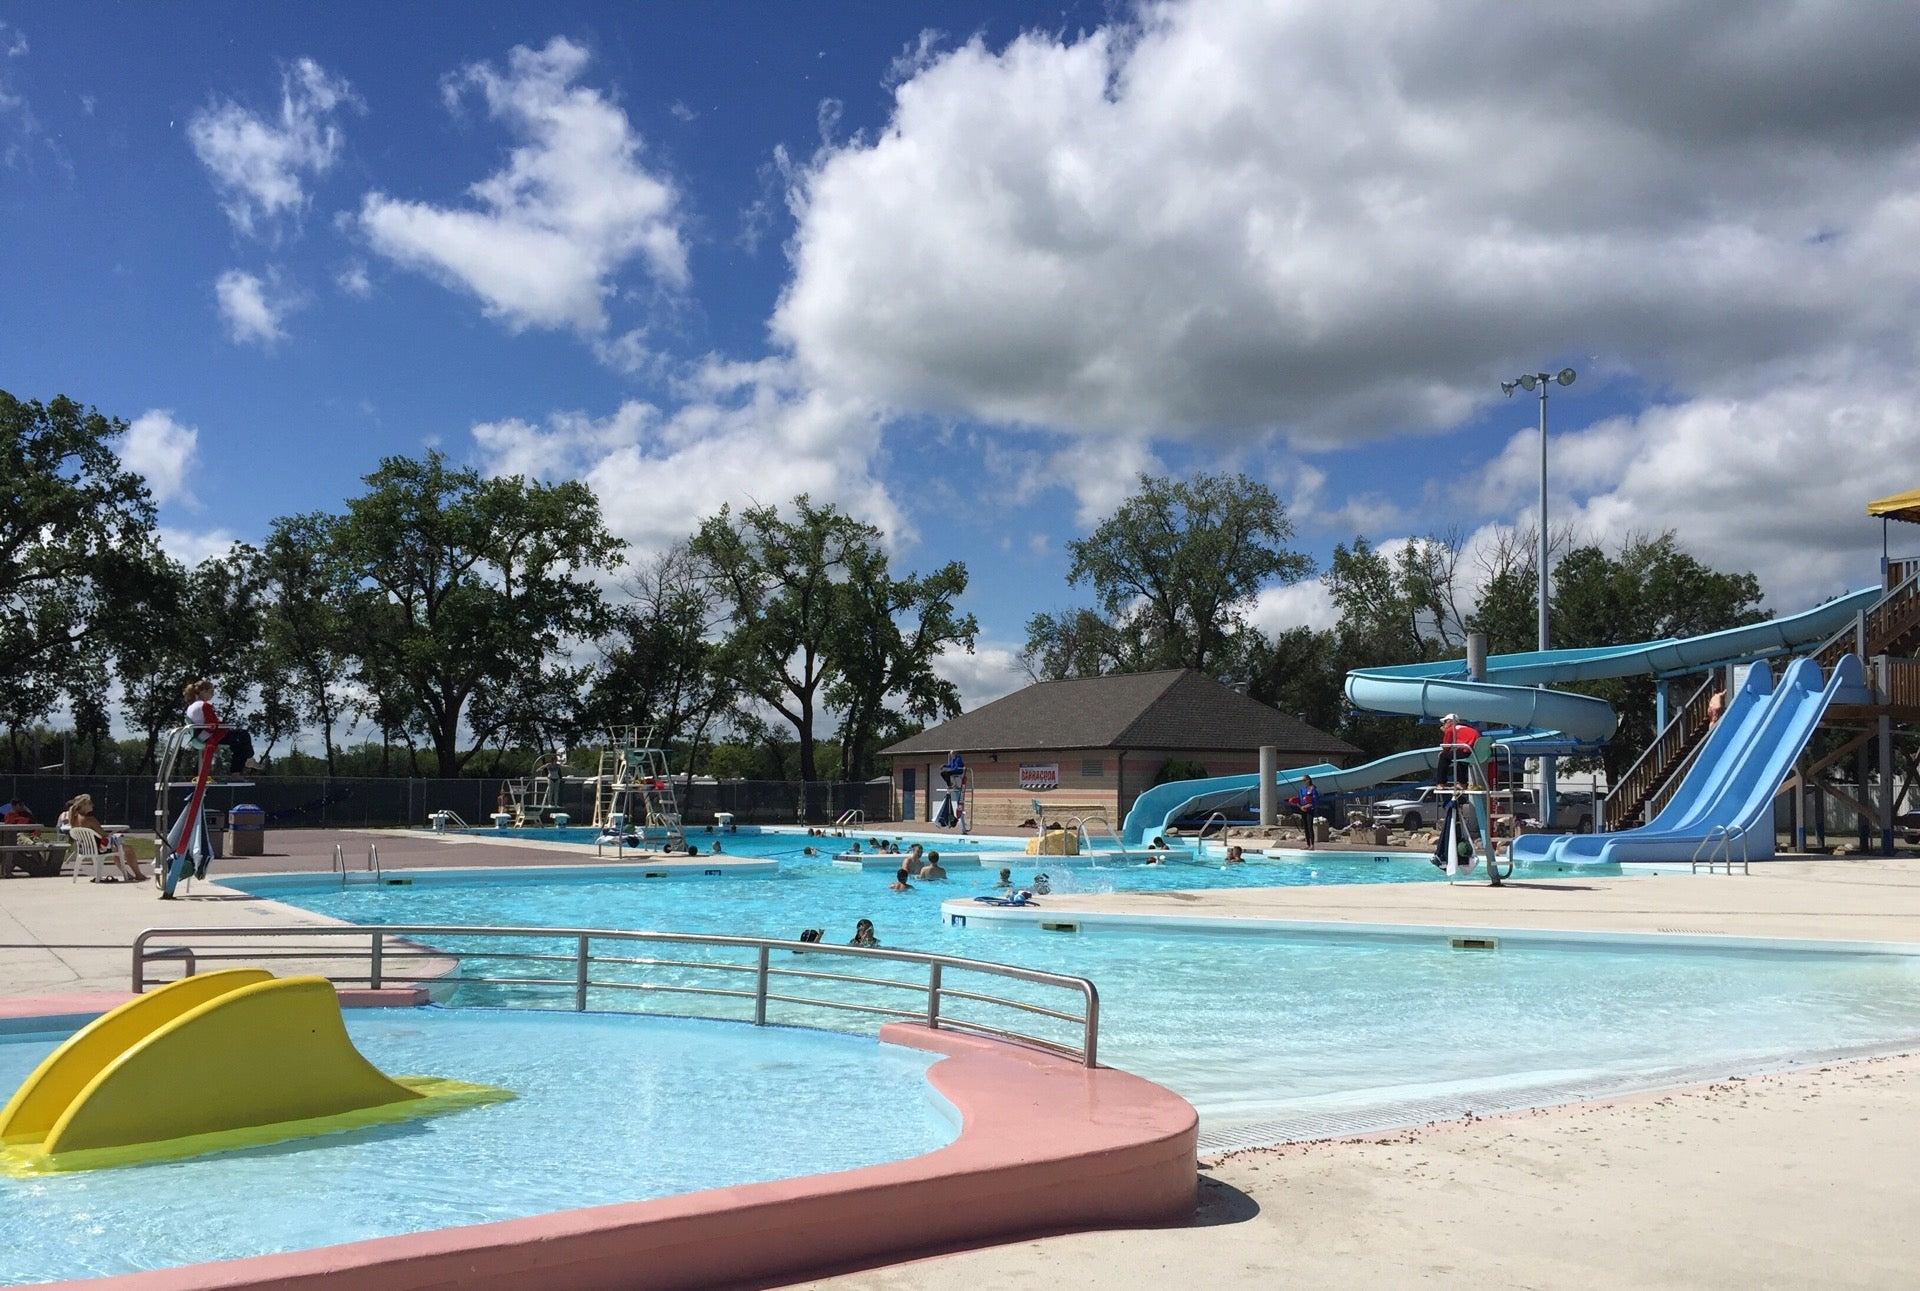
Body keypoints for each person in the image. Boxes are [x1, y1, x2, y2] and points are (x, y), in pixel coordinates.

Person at [66, 793, 147, 883]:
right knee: (128, 849)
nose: (92, 805)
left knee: (118, 849)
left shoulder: (74, 820)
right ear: (84, 805)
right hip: (99, 849)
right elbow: (103, 834)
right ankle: (138, 874)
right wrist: (115, 836)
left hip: (85, 849)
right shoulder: (90, 820)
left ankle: (128, 874)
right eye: (90, 803)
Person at [184, 678, 258, 773]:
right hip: (208, 736)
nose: (213, 695)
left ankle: (241, 767)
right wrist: (224, 728)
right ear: (203, 691)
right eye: (211, 692)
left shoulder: (191, 707)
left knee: (237, 741)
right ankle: (248, 760)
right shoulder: (204, 705)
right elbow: (212, 724)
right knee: (243, 734)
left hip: (199, 736)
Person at [1437, 713, 1479, 789]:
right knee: (1459, 757)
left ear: (1450, 722)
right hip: (1475, 753)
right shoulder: (1465, 728)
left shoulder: (1450, 729)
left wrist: (1445, 732)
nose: (1444, 725)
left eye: (1445, 722)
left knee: (1443, 756)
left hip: (1467, 751)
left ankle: (1441, 783)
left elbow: (1446, 747)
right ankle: (1462, 783)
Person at [1297, 774, 1319, 849]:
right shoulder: (1301, 789)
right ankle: (1308, 844)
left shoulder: (1312, 789)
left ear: (1308, 780)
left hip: (1310, 810)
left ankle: (1312, 845)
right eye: (1302, 781)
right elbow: (1300, 800)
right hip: (1303, 810)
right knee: (1305, 827)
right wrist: (1300, 806)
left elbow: (1315, 801)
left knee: (1310, 827)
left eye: (1304, 780)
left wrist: (1306, 806)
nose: (1303, 782)